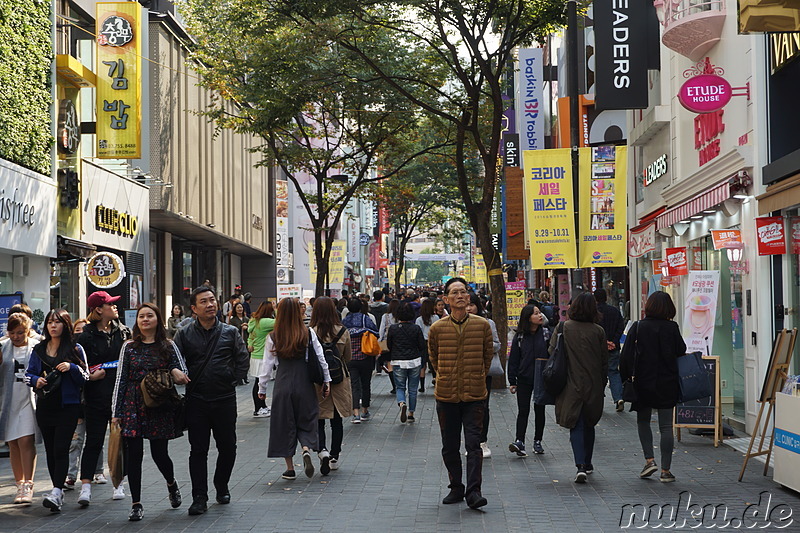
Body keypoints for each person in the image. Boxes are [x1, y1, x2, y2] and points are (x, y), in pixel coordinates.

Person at [172, 286, 250, 515]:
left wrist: (232, 379)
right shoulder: (184, 334)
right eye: (204, 302)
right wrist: (177, 373)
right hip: (196, 399)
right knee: (198, 450)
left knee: (228, 447)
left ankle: (221, 484)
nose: (210, 304)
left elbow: (242, 358)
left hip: (225, 398)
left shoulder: (229, 332)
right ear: (194, 309)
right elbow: (173, 359)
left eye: (212, 300)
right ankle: (199, 497)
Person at [112, 303, 190, 520]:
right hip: (132, 404)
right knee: (134, 455)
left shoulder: (167, 345)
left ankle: (171, 483)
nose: (145, 320)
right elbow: (121, 380)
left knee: (159, 454)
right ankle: (136, 503)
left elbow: (182, 370)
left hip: (158, 403)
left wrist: (174, 370)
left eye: (149, 316)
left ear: (157, 319)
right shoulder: (128, 346)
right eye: (141, 317)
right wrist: (116, 411)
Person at [428, 277, 493, 509]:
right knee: (450, 445)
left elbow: (487, 357)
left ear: (469, 297)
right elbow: (434, 358)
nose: (460, 296)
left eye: (463, 292)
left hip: (475, 395)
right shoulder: (437, 329)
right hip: (446, 395)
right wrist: (446, 376)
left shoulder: (482, 325)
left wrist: (476, 376)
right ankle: (456, 487)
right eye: (454, 293)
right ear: (445, 299)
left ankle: (474, 491)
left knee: (474, 444)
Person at [258, 298, 330, 480]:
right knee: (307, 418)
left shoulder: (273, 336)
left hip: (283, 383)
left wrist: (262, 387)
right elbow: (321, 358)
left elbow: (266, 366)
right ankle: (306, 448)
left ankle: (290, 469)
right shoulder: (308, 333)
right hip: (304, 382)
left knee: (284, 424)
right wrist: (326, 380)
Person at [26, 309, 89, 512]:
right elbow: (28, 375)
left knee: (61, 448)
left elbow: (86, 377)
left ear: (66, 324)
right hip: (45, 405)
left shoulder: (75, 348)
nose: (53, 326)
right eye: (50, 322)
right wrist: (37, 380)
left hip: (68, 406)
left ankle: (55, 490)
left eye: (58, 322)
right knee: (51, 451)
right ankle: (57, 492)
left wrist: (71, 367)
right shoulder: (38, 349)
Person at [620, 291, 686, 483]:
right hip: (667, 382)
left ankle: (649, 460)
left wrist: (626, 379)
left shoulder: (639, 326)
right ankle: (666, 470)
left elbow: (626, 356)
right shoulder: (672, 327)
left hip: (643, 382)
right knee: (666, 426)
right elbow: (681, 351)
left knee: (643, 421)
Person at [76, 291, 132, 506]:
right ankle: (86, 487)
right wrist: (90, 376)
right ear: (98, 309)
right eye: (110, 304)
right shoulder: (85, 336)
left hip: (120, 396)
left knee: (120, 442)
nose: (115, 307)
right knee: (94, 441)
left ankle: (119, 483)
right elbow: (79, 366)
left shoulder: (123, 332)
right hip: (95, 396)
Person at [549, 292, 608, 484]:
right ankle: (587, 463)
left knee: (576, 423)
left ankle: (580, 465)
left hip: (569, 383)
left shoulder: (563, 327)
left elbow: (552, 352)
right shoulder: (598, 331)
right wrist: (603, 382)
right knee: (589, 423)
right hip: (593, 384)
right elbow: (603, 361)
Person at [0, 313, 40, 504]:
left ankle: (28, 484)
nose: (16, 336)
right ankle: (19, 483)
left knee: (26, 440)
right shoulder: (3, 347)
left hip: (29, 399)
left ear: (27, 330)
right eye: (12, 332)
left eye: (20, 332)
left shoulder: (36, 346)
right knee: (13, 443)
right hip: (8, 401)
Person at [309, 297, 352, 474]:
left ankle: (322, 451)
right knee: (337, 420)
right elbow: (347, 357)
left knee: (319, 418)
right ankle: (334, 456)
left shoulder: (311, 331)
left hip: (318, 380)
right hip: (338, 379)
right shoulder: (342, 331)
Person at [507, 305, 552, 457]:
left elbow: (553, 356)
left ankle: (537, 441)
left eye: (540, 313)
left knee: (540, 410)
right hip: (524, 378)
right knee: (523, 410)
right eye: (536, 313)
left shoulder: (546, 334)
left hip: (541, 378)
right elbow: (513, 359)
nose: (540, 316)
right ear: (528, 318)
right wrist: (512, 380)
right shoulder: (519, 337)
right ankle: (519, 441)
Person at [65, 319, 103, 491]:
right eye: (77, 330)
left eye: (83, 330)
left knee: (95, 439)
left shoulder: (95, 354)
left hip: (94, 402)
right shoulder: (71, 352)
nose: (80, 334)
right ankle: (71, 475)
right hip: (78, 405)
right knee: (76, 440)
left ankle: (98, 471)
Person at [467, 293, 501, 458]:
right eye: (466, 305)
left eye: (471, 304)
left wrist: (480, 345)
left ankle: (482, 441)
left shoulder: (488, 323)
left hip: (483, 371)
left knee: (482, 407)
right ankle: (471, 442)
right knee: (466, 407)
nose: (468, 308)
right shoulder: (456, 323)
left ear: (478, 306)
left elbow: (497, 345)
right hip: (464, 371)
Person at [342, 298, 379, 423]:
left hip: (350, 358)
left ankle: (355, 413)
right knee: (365, 384)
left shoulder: (345, 321)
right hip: (366, 356)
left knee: (354, 385)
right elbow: (376, 333)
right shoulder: (365, 319)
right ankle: (365, 411)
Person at [387, 303, 425, 423]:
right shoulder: (416, 328)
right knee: (413, 389)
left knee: (400, 387)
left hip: (398, 360)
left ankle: (402, 402)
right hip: (414, 360)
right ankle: (411, 413)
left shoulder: (393, 328)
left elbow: (389, 345)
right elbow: (421, 345)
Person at [594, 289, 626, 412]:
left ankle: (598, 399)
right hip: (614, 347)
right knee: (613, 372)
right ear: (606, 297)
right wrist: (613, 341)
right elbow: (620, 326)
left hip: (597, 348)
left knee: (598, 373)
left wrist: (604, 342)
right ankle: (618, 398)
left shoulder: (593, 312)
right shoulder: (614, 311)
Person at [247, 301, 276, 418]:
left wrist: (249, 344)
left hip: (255, 355)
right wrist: (278, 309)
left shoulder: (254, 321)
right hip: (261, 356)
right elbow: (282, 321)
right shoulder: (265, 322)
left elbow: (250, 337)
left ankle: (262, 406)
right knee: (259, 383)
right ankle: (258, 408)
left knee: (258, 382)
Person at [415, 298, 439, 393]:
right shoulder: (436, 318)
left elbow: (418, 332)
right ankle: (436, 380)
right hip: (433, 341)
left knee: (422, 364)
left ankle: (422, 386)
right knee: (434, 363)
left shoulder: (419, 319)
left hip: (423, 342)